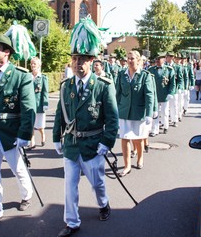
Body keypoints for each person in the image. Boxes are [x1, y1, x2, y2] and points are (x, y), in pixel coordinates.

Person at [53, 16, 118, 237]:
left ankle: (104, 203)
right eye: (75, 59)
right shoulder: (66, 86)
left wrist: (106, 142)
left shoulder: (103, 86)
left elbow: (112, 118)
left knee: (97, 183)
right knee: (69, 187)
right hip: (71, 144)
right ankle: (71, 222)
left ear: (91, 61)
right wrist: (56, 137)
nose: (78, 63)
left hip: (93, 144)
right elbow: (60, 113)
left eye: (82, 59)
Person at [0, 33, 36, 222]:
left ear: (7, 52)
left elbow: (28, 108)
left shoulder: (20, 76)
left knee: (17, 169)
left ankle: (27, 195)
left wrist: (25, 133)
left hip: (11, 132)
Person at [116, 50, 154, 176]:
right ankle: (127, 166)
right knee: (125, 138)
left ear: (138, 60)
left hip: (139, 112)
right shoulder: (122, 74)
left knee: (138, 138)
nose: (130, 61)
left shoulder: (145, 75)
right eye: (128, 58)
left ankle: (140, 158)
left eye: (132, 58)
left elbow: (149, 95)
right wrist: (114, 111)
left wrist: (149, 113)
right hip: (124, 112)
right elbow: (117, 93)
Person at [29, 56, 49, 149]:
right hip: (29, 105)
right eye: (32, 63)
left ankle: (42, 135)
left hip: (39, 105)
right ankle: (32, 143)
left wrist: (45, 104)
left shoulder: (43, 78)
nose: (33, 65)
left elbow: (45, 92)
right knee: (31, 124)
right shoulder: (28, 76)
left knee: (40, 126)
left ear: (39, 65)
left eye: (35, 63)